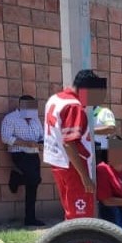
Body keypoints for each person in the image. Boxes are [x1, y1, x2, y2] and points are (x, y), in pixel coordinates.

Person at [43, 69, 107, 220]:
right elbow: (69, 143)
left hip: (58, 162)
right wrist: (84, 177)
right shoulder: (74, 106)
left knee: (70, 211)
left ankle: (71, 242)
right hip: (73, 166)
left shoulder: (55, 99)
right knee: (81, 217)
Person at [0, 94, 45, 227]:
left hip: (34, 154)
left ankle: (30, 218)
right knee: (34, 179)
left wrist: (41, 143)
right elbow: (5, 138)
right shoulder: (10, 118)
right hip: (19, 153)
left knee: (34, 184)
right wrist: (25, 143)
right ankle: (16, 178)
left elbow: (41, 135)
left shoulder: (35, 118)